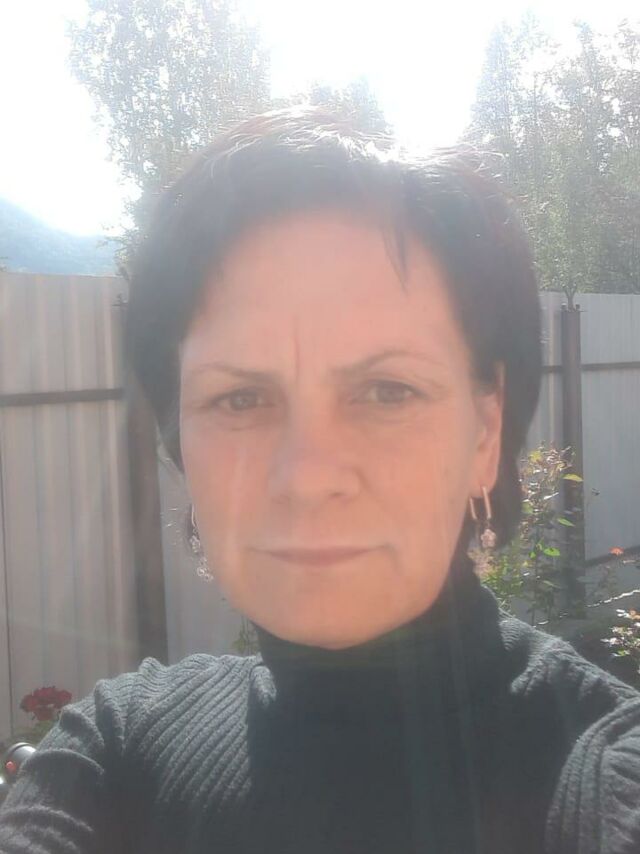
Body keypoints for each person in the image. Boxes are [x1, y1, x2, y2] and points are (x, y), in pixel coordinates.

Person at [1, 108, 639, 854]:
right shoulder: (114, 749)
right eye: (241, 399)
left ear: (485, 434)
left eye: (388, 391)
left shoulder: (606, 780)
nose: (306, 477)